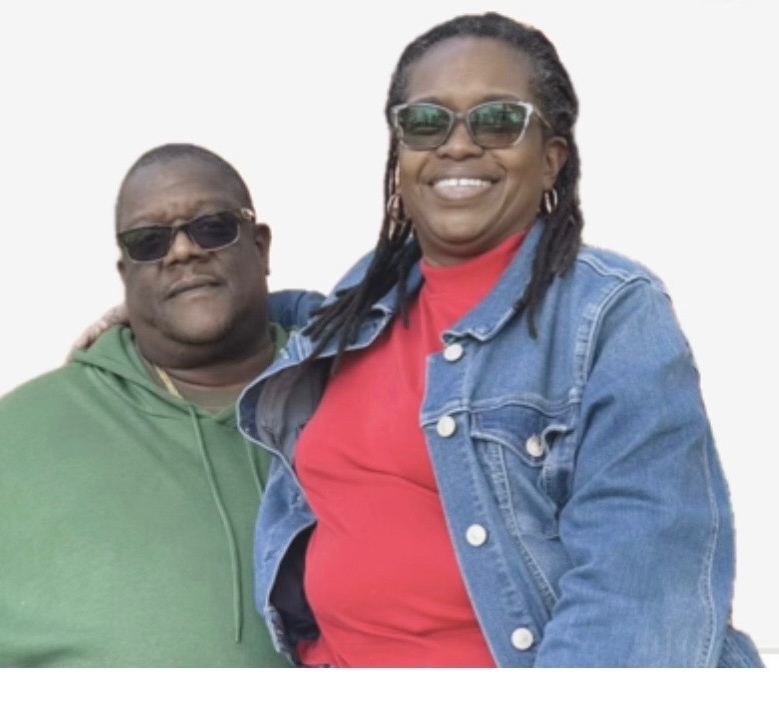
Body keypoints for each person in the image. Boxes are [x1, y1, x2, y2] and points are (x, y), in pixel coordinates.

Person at [236, 12, 763, 667]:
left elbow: (638, 596)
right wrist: (147, 313)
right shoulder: (362, 304)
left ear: (550, 160)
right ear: (400, 156)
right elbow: (296, 315)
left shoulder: (610, 316)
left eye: (497, 120)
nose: (458, 145)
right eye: (426, 122)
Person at [0, 143, 321, 666]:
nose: (181, 251)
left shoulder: (350, 396)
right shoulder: (26, 430)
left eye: (212, 227)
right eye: (149, 241)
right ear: (126, 275)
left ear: (261, 247)